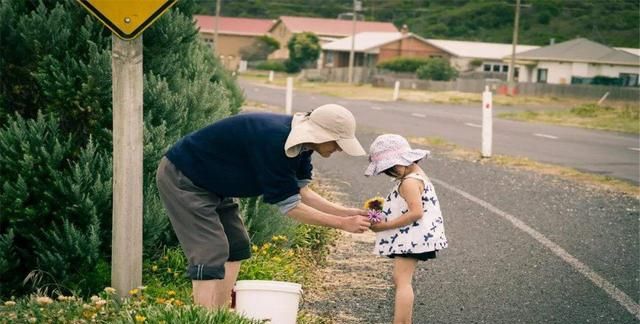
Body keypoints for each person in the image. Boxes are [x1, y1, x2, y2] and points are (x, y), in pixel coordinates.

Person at [155, 104, 371, 309]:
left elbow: (301, 191)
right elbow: (290, 206)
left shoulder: (302, 147)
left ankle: (220, 314)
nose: (339, 149)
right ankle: (203, 317)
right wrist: (342, 224)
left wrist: (346, 212)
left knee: (236, 245)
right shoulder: (275, 140)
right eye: (337, 143)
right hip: (185, 176)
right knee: (211, 250)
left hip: (214, 183)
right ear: (321, 135)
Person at [364, 134, 448, 324]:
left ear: (403, 160)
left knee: (402, 282)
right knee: (400, 279)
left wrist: (384, 226)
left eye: (390, 169)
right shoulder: (415, 175)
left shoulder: (410, 182)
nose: (390, 174)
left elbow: (415, 212)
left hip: (411, 237)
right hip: (414, 236)